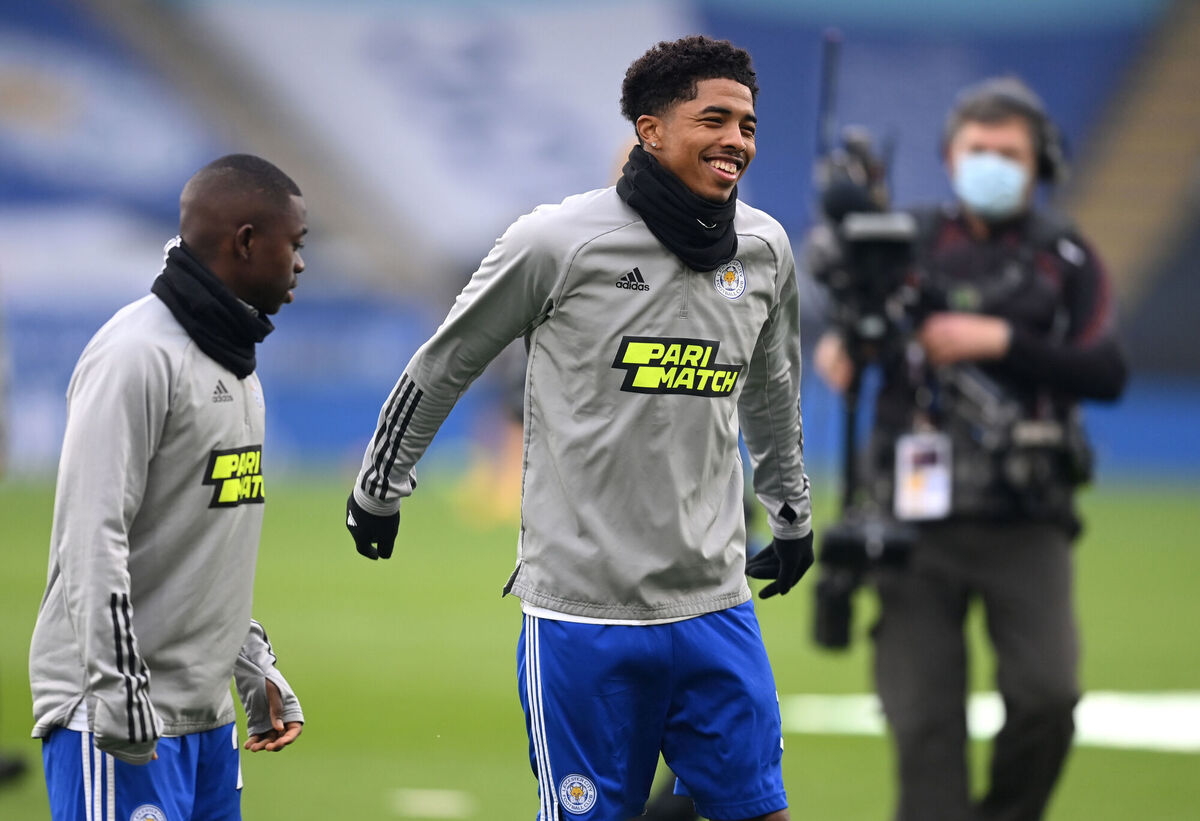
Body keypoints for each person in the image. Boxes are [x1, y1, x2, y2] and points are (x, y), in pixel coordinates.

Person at [345, 35, 814, 821]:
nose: (737, 140)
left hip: (716, 604)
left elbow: (771, 395)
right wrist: (379, 486)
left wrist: (792, 512)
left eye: (748, 125)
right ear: (650, 129)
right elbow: (445, 361)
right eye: (715, 119)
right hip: (581, 616)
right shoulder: (554, 242)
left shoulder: (765, 251)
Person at [811, 77, 1128, 821]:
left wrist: (1003, 341)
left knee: (1047, 696)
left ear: (1038, 163)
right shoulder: (903, 246)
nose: (991, 164)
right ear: (951, 158)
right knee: (924, 722)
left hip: (1026, 514)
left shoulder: (1067, 257)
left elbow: (1107, 370)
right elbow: (854, 319)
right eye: (977, 151)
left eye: (1007, 153)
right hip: (911, 521)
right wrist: (844, 346)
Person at [29, 154, 308, 820]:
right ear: (244, 241)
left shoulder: (236, 364)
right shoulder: (137, 356)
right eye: (294, 245)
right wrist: (117, 692)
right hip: (121, 717)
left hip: (204, 720)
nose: (300, 263)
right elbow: (90, 538)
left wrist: (249, 662)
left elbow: (207, 543)